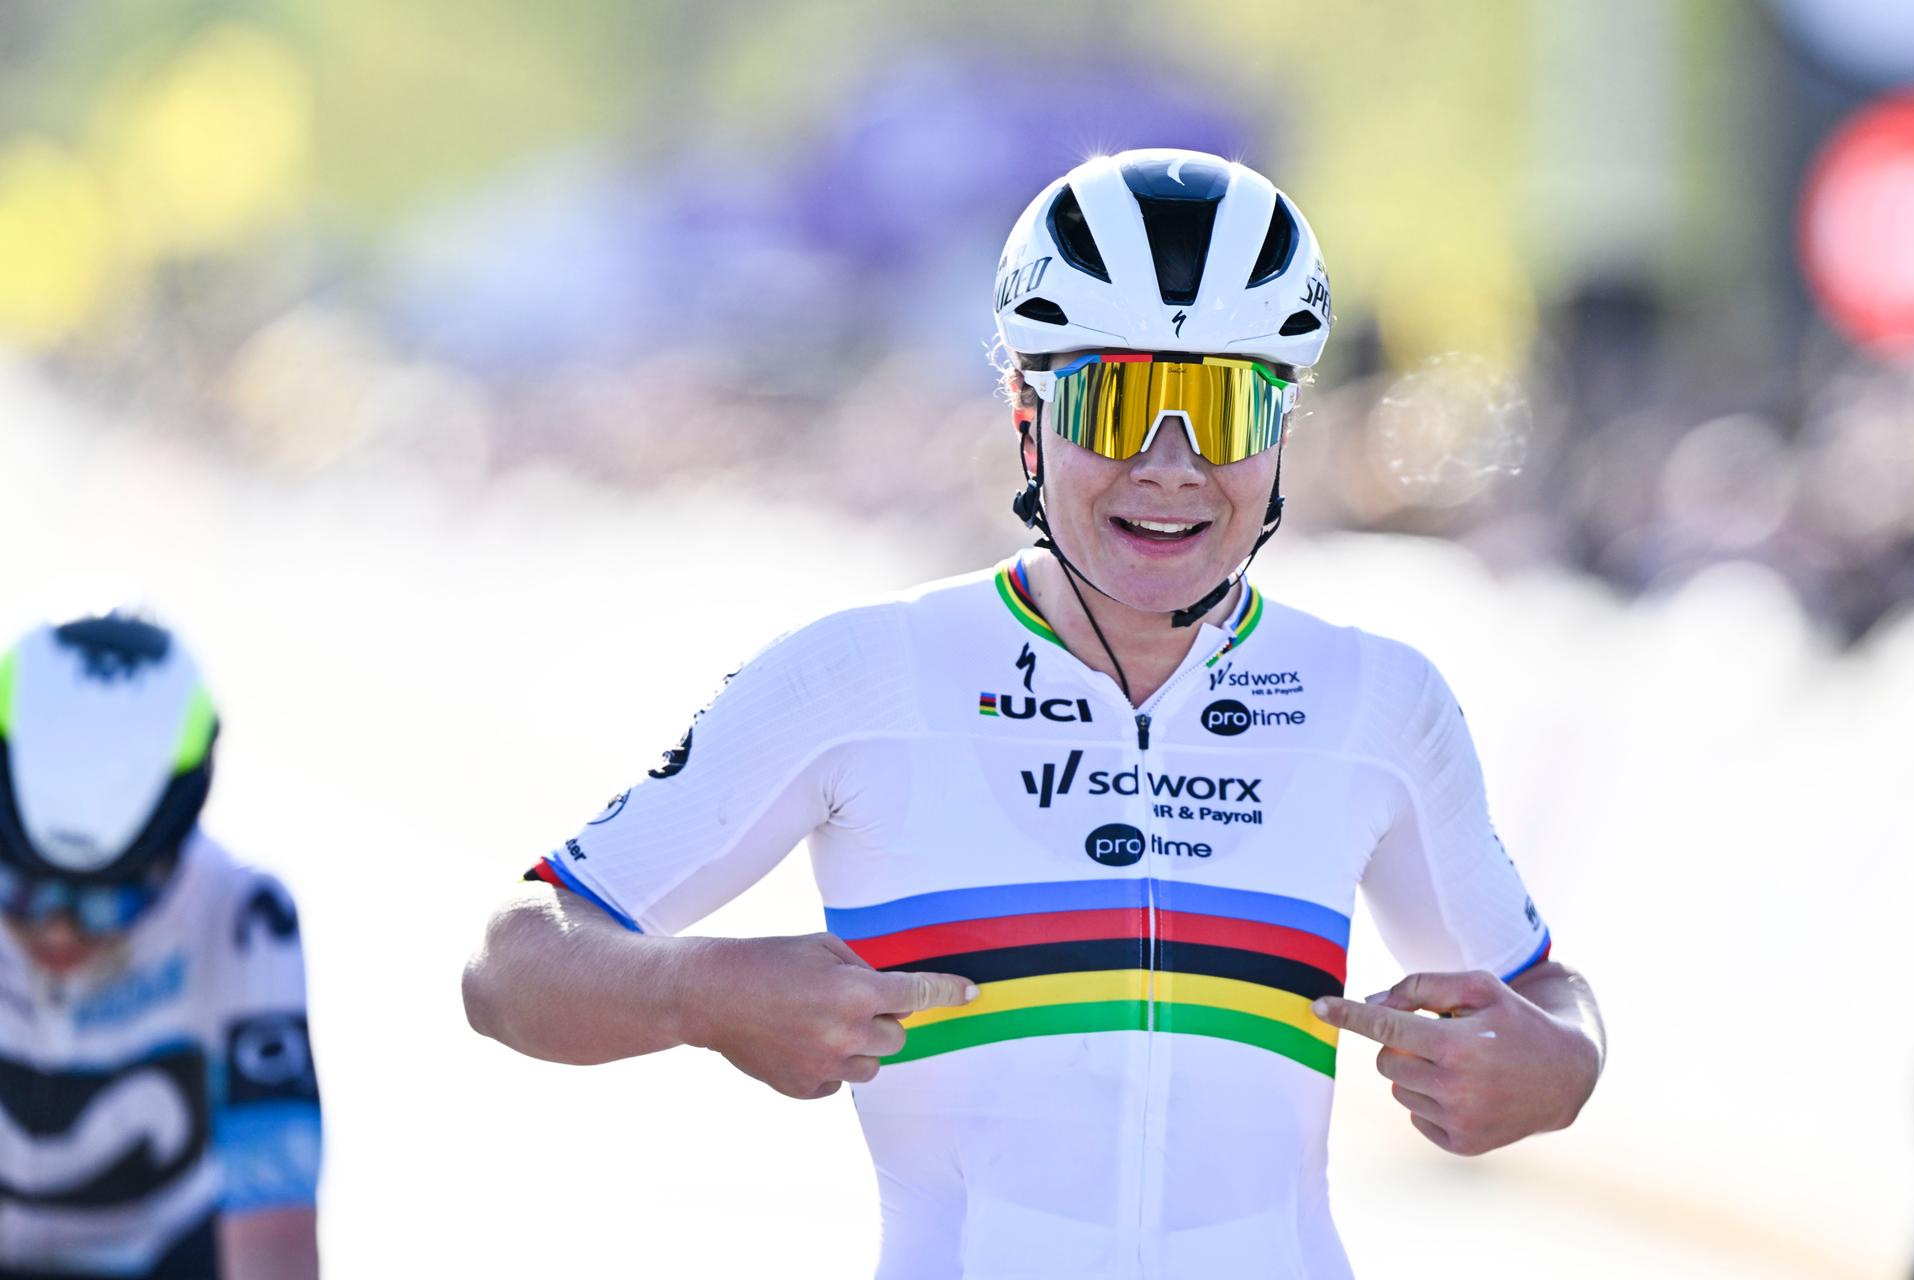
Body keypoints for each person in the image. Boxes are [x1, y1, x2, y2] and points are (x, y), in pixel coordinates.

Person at [463, 148, 1605, 1278]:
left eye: (1224, 403)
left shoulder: (1377, 698)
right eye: (1115, 404)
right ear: (1025, 407)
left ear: (1285, 423)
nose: (1172, 463)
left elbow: (1551, 995)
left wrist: (1560, 1065)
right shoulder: (862, 673)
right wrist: (703, 993)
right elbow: (513, 966)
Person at [0, 614, 321, 1280]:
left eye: (109, 901)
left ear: (177, 852)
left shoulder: (243, 914)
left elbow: (275, 1238)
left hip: (161, 1258)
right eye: (22, 889)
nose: (59, 931)